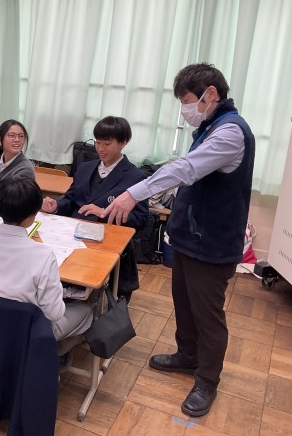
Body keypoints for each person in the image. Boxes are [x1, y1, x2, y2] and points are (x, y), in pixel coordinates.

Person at [102, 63, 255, 417]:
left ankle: (207, 380)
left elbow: (187, 169)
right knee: (183, 303)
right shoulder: (211, 125)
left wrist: (134, 193)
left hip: (212, 243)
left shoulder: (231, 133)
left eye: (187, 101)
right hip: (190, 237)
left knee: (207, 315)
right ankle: (187, 356)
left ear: (211, 94)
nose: (185, 109)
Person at [0, 176, 93, 356]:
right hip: (26, 331)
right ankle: (52, 354)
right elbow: (54, 313)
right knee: (86, 311)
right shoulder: (44, 255)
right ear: (34, 215)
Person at [42, 116, 149, 300]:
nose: (100, 149)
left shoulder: (135, 177)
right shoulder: (85, 168)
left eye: (107, 144)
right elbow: (71, 200)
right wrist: (55, 207)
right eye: (97, 142)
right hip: (73, 239)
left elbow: (140, 219)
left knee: (95, 290)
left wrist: (104, 213)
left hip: (106, 243)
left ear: (123, 143)